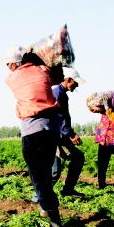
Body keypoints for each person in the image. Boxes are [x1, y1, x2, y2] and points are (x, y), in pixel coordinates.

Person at [4, 46, 64, 227]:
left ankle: (54, 221)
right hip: (51, 129)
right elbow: (58, 77)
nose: (7, 68)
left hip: (32, 131)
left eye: (8, 64)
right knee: (44, 173)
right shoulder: (43, 70)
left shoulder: (12, 78)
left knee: (38, 178)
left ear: (14, 64)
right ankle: (47, 208)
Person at [49, 67, 86, 197]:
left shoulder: (60, 92)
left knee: (78, 157)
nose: (76, 86)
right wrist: (71, 134)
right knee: (55, 171)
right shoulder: (58, 93)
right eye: (75, 83)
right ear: (69, 80)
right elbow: (60, 117)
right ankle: (39, 197)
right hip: (53, 135)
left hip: (59, 135)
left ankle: (67, 189)